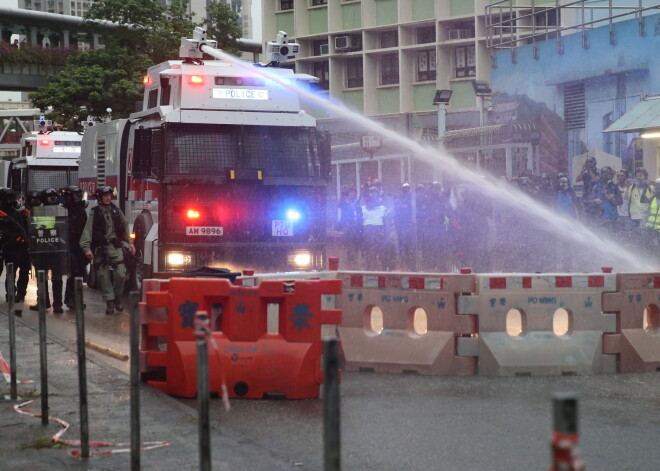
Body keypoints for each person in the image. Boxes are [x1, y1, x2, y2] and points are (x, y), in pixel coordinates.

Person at [80, 186, 135, 315]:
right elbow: (87, 232)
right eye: (105, 196)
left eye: (110, 195)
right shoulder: (94, 213)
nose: (108, 198)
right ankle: (110, 302)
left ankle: (116, 297)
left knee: (121, 274)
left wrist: (130, 243)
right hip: (101, 249)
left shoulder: (116, 211)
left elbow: (126, 226)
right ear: (100, 198)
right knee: (104, 277)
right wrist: (87, 249)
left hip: (116, 247)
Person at [29, 188, 65, 313]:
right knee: (41, 277)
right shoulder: (37, 211)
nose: (53, 201)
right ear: (44, 199)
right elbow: (32, 228)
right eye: (51, 198)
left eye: (55, 198)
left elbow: (65, 228)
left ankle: (58, 304)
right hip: (42, 249)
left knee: (57, 278)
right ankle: (43, 302)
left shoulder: (61, 210)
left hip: (56, 249)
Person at [0, 188, 30, 303]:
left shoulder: (18, 213)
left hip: (17, 245)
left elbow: (23, 230)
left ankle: (15, 294)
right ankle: (11, 293)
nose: (12, 201)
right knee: (10, 271)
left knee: (15, 271)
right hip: (5, 246)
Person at [62, 186, 88, 309]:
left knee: (79, 273)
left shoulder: (81, 210)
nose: (77, 198)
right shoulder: (65, 210)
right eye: (74, 196)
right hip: (69, 246)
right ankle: (70, 298)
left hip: (80, 245)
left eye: (79, 195)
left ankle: (75, 299)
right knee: (74, 271)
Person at [361, 186, 387, 271]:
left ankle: (382, 269)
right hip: (368, 232)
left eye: (375, 193)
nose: (373, 195)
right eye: (371, 193)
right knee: (370, 253)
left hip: (379, 231)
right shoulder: (363, 208)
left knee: (382, 253)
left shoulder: (383, 207)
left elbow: (386, 221)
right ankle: (370, 270)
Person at [590, 166, 622, 234]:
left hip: (613, 218)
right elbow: (589, 200)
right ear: (604, 175)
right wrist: (594, 201)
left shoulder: (614, 187)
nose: (611, 176)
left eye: (611, 175)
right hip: (601, 218)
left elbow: (620, 201)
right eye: (609, 174)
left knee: (614, 236)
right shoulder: (596, 186)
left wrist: (612, 199)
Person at [336, 187, 362, 269]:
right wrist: (342, 195)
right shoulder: (345, 201)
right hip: (347, 226)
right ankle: (348, 259)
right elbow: (338, 205)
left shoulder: (358, 203)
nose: (352, 194)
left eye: (353, 192)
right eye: (350, 192)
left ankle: (354, 257)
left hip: (356, 226)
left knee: (355, 243)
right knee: (347, 243)